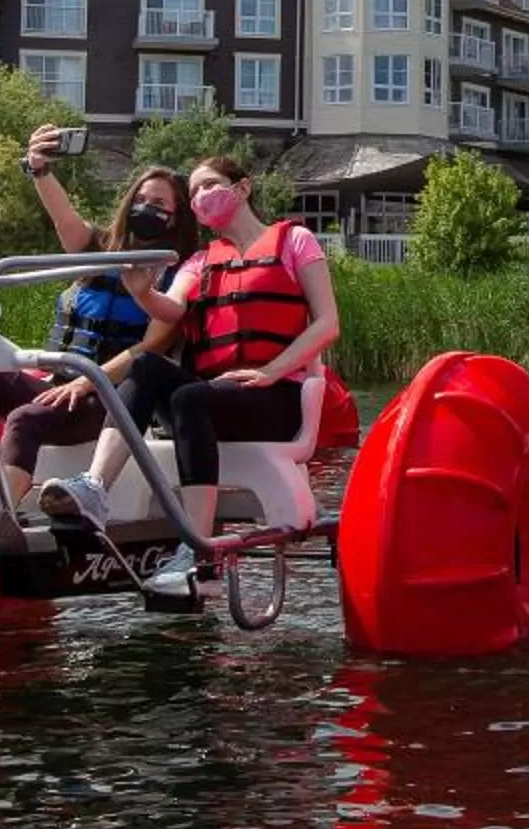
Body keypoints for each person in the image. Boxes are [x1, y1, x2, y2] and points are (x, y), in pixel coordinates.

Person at [37, 154, 340, 598]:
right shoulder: (201, 261)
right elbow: (172, 309)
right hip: (212, 396)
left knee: (189, 399)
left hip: (274, 397)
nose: (200, 196)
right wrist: (143, 294)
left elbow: (327, 323)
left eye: (209, 184)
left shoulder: (296, 242)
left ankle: (199, 553)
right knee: (145, 366)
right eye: (194, 191)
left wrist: (271, 371)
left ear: (242, 188)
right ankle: (95, 489)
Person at [0, 127, 196, 510]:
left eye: (159, 202)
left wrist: (86, 382)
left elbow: (151, 347)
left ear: (175, 216)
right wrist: (40, 170)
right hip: (58, 383)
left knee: (24, 419)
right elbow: (64, 218)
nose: (147, 207)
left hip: (105, 401)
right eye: (141, 199)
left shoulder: (175, 275)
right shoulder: (98, 250)